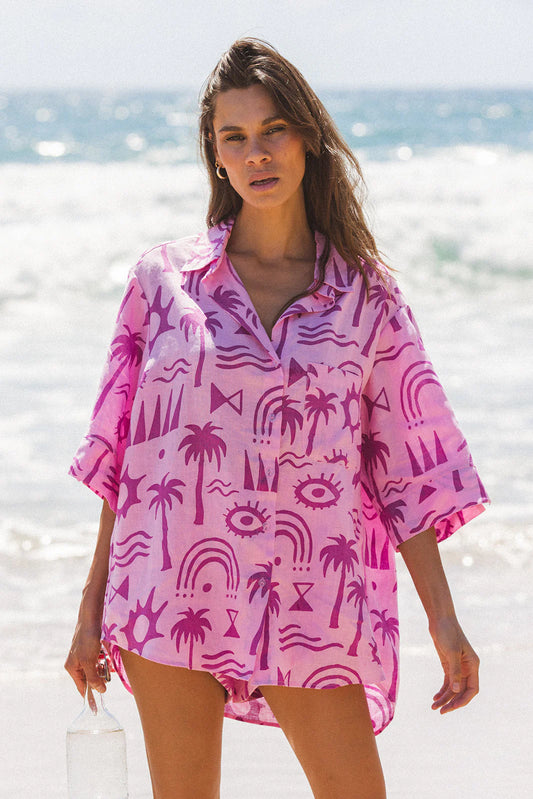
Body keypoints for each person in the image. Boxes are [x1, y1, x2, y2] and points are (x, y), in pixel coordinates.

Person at [65, 38, 489, 799]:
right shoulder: (163, 282)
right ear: (215, 155)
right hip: (170, 581)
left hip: (311, 593)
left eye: (273, 130)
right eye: (234, 137)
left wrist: (444, 621)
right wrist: (90, 606)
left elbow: (406, 470)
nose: (256, 153)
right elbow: (123, 460)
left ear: (307, 137)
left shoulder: (365, 296)